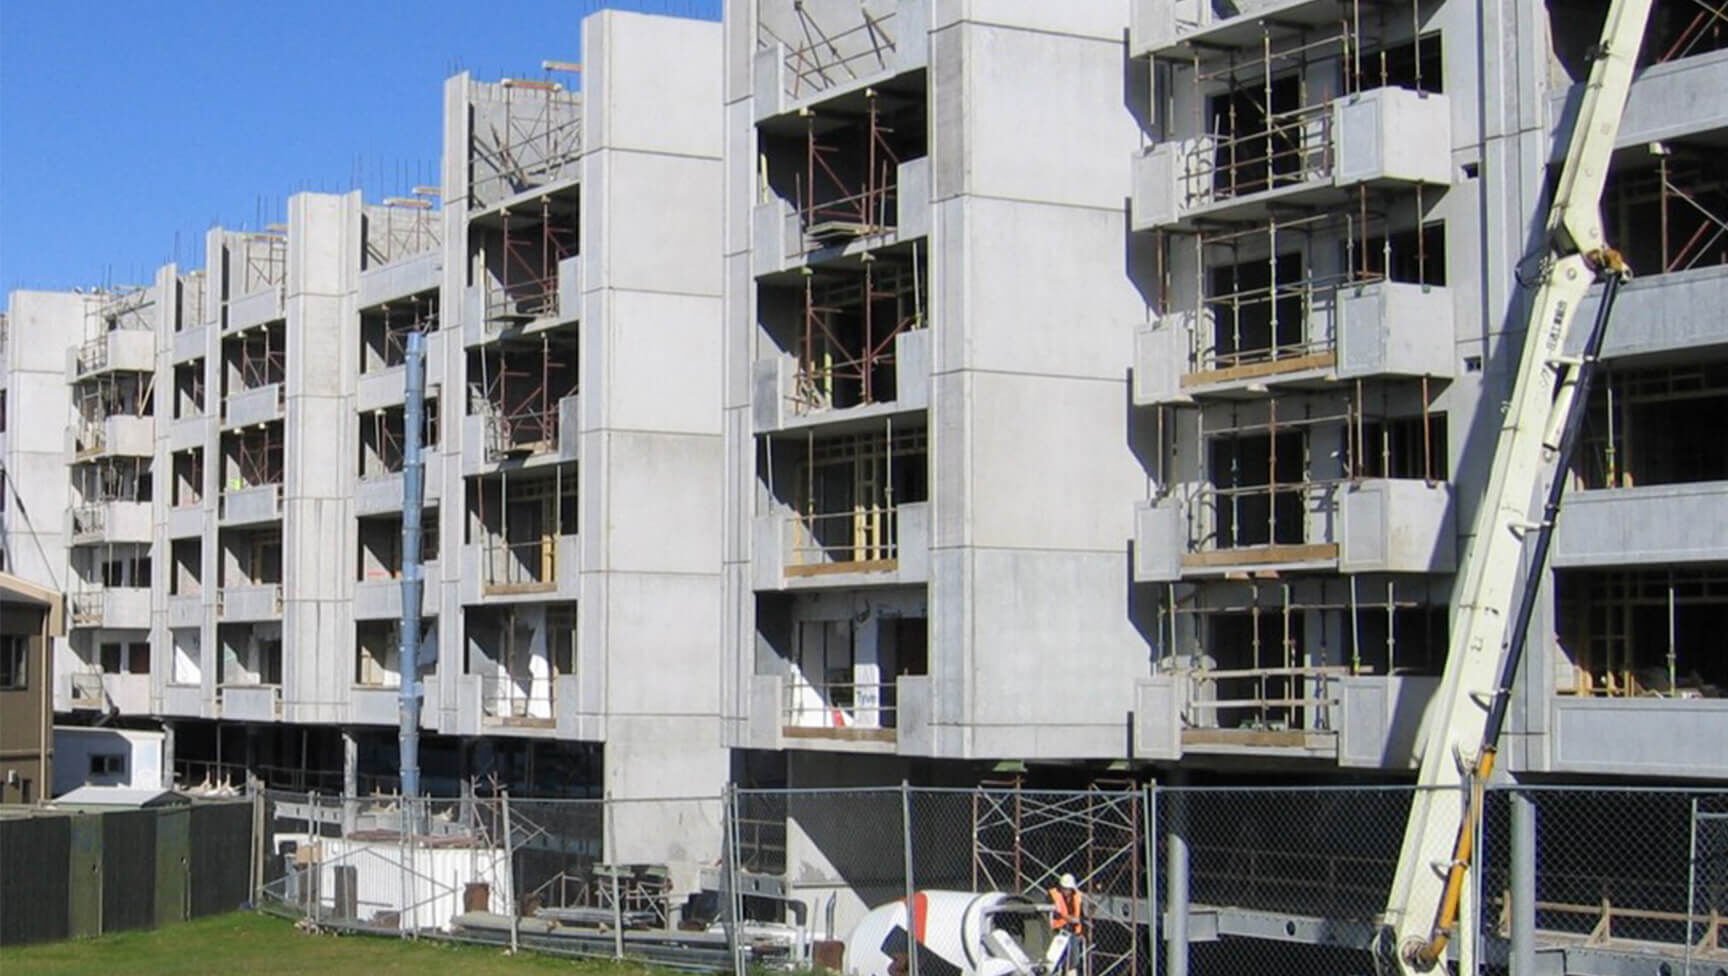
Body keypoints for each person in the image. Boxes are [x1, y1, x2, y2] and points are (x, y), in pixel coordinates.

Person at [1047, 873, 1084, 937]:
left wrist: (1078, 922)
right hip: (1058, 930)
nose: (1065, 891)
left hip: (1075, 931)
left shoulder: (1078, 896)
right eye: (1064, 888)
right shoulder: (1053, 894)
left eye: (1068, 889)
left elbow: (1081, 914)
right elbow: (1050, 912)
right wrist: (1066, 917)